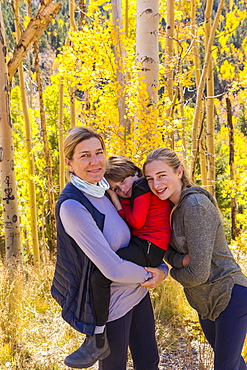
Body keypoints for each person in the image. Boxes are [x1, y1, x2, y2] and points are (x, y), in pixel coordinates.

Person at [51, 126, 168, 370]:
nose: (95, 162)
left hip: (138, 295)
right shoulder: (73, 205)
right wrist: (152, 274)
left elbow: (139, 236)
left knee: (149, 365)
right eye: (84, 155)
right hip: (113, 309)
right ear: (69, 163)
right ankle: (96, 339)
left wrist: (161, 268)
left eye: (99, 152)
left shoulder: (104, 190)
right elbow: (112, 269)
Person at [143, 147, 247, 370]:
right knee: (234, 364)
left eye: (162, 175)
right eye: (150, 178)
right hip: (204, 301)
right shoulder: (169, 208)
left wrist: (171, 272)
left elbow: (199, 273)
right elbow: (168, 253)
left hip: (228, 294)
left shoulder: (194, 205)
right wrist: (180, 261)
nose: (156, 184)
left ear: (179, 172)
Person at [89, 155, 171, 355]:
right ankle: (98, 326)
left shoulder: (141, 186)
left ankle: (97, 329)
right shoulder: (138, 191)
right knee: (102, 271)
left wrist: (116, 200)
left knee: (100, 276)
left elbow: (135, 222)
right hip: (147, 246)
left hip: (149, 247)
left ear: (135, 171)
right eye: (115, 188)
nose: (123, 189)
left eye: (124, 181)